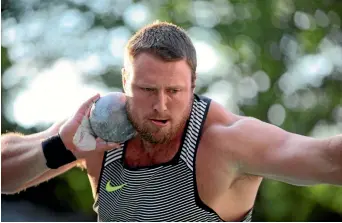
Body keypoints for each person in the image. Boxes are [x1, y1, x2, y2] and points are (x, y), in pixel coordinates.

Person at [1, 21, 342, 222]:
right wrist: (60, 147)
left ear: (193, 85)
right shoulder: (98, 129)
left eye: (175, 91)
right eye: (147, 89)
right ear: (124, 82)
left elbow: (329, 158)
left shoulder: (226, 141)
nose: (160, 106)